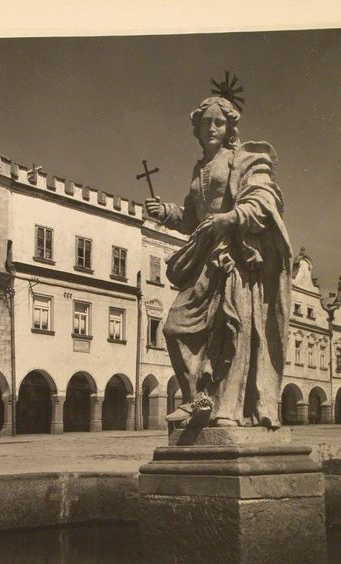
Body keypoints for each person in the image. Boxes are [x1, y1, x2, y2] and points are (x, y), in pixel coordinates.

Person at [145, 96, 292, 428]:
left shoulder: (244, 160)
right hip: (204, 258)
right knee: (175, 327)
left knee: (230, 331)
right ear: (195, 129)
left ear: (229, 128)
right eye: (204, 123)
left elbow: (263, 202)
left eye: (218, 122)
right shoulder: (199, 170)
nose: (210, 128)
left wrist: (231, 217)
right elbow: (192, 218)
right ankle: (199, 399)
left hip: (236, 258)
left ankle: (225, 410)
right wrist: (166, 213)